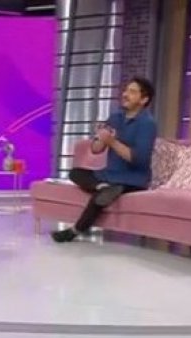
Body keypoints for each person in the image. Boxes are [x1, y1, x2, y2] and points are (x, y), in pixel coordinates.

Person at [52, 77, 157, 243]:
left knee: (99, 197)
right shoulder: (115, 117)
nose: (125, 94)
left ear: (144, 100)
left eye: (132, 92)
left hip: (133, 179)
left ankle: (74, 231)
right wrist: (101, 138)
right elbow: (96, 149)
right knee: (75, 173)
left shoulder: (147, 123)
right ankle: (102, 186)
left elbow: (138, 160)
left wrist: (112, 142)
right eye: (126, 90)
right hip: (110, 175)